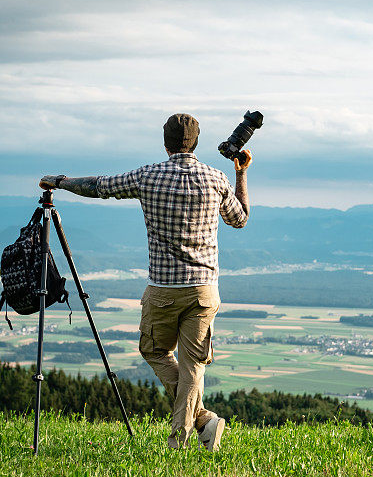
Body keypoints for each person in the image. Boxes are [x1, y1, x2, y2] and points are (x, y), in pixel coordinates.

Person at [39, 113, 250, 451]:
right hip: (205, 289)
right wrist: (240, 173)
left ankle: (179, 440)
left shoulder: (148, 176)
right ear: (195, 142)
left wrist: (60, 182)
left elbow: (99, 187)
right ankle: (202, 421)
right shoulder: (216, 178)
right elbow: (239, 219)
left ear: (166, 143)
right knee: (193, 364)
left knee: (153, 349)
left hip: (163, 289)